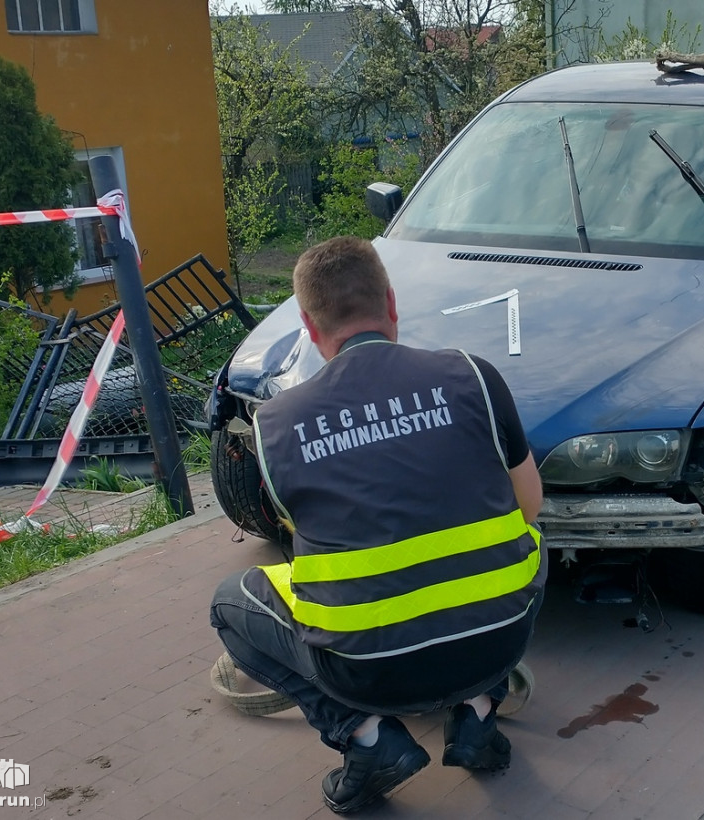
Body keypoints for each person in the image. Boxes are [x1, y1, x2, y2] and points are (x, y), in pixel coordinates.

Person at [210, 235, 547, 814]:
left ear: (311, 332)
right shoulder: (474, 377)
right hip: (498, 641)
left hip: (366, 672)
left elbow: (303, 538)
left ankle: (366, 737)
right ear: (392, 305)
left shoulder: (277, 424)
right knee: (530, 542)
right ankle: (477, 713)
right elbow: (530, 505)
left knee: (231, 601)